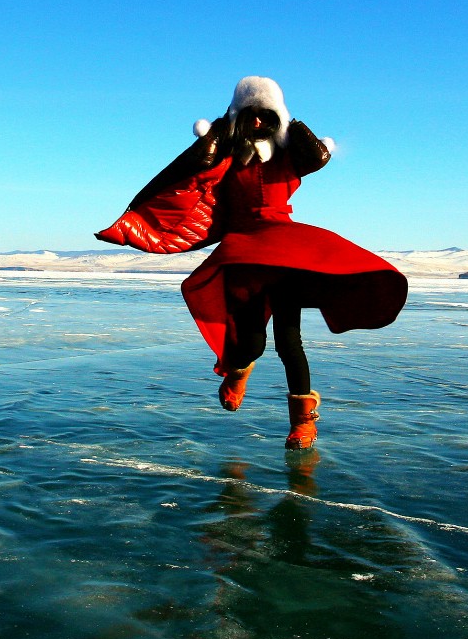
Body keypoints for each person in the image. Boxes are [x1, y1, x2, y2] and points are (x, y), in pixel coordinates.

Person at [97, 76, 408, 449]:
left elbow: (317, 158)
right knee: (252, 343)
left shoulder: (291, 156)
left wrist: (292, 123)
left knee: (288, 341)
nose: (258, 122)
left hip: (283, 250)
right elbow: (190, 170)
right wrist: (216, 131)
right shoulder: (225, 158)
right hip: (244, 252)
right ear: (237, 118)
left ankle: (303, 421)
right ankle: (238, 369)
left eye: (266, 115)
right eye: (250, 115)